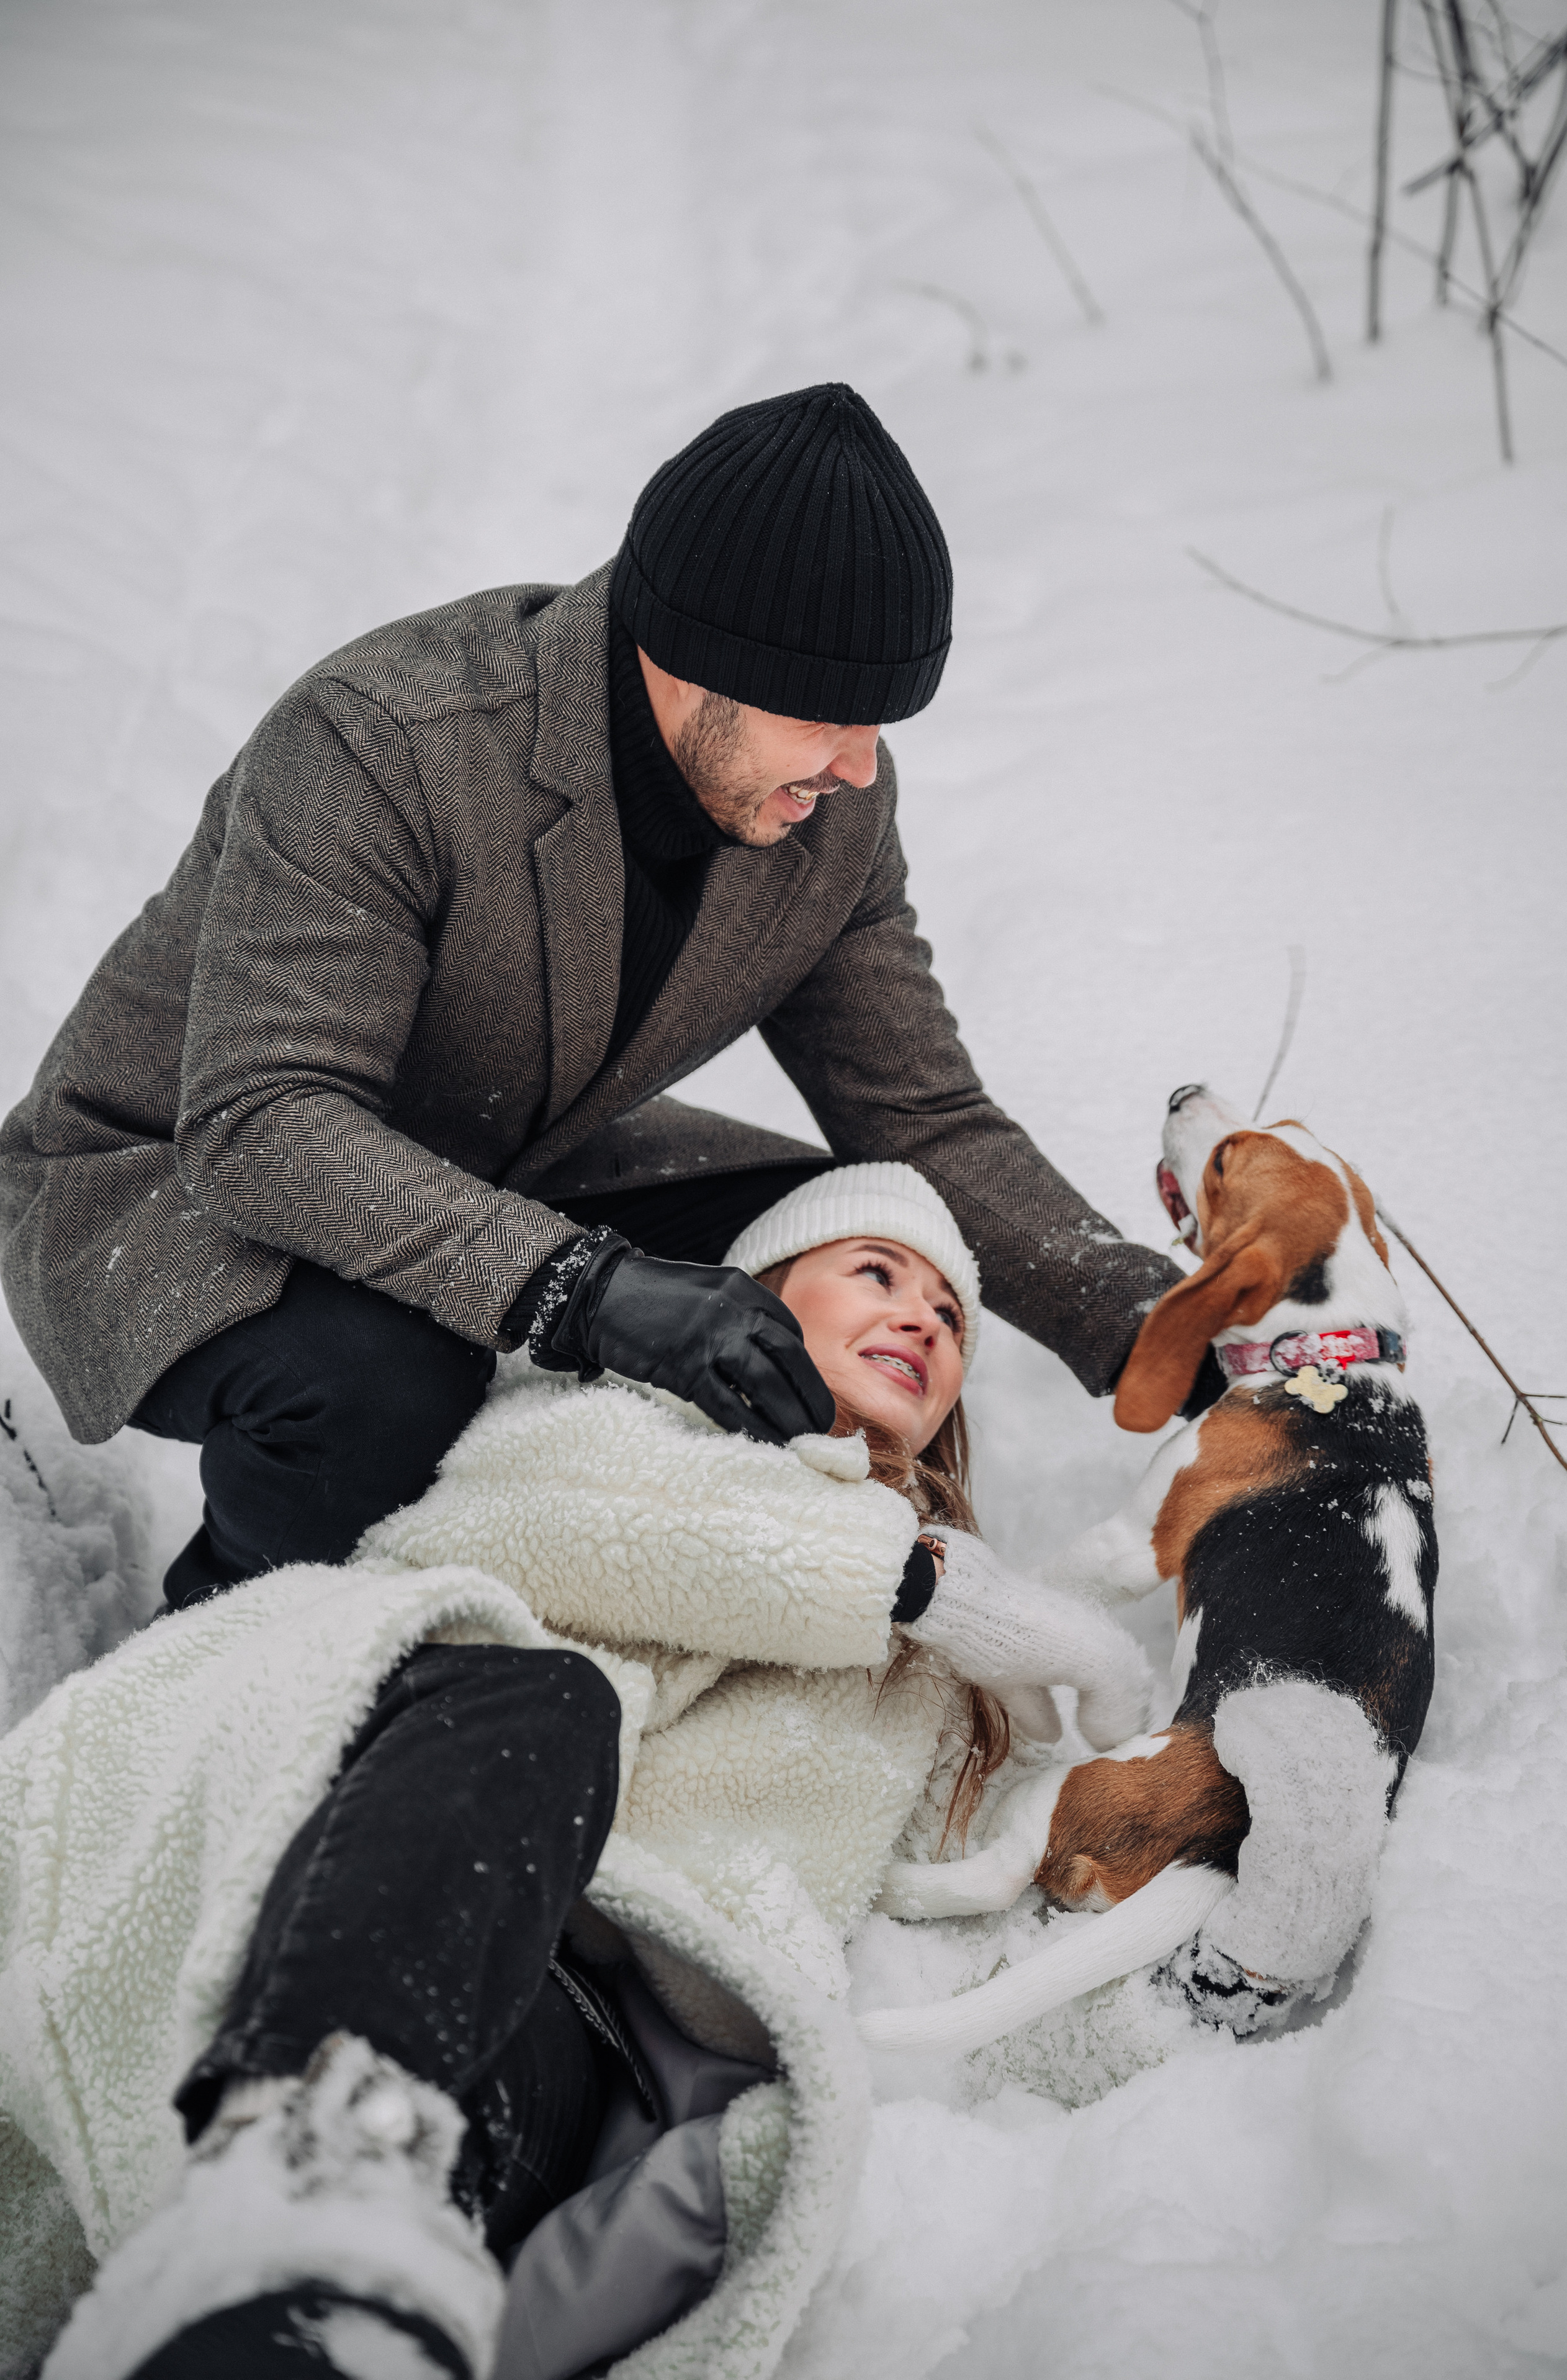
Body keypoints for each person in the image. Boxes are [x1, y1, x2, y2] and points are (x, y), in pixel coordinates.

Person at [0, 380, 1197, 1616]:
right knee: (385, 1380)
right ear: (700, 665)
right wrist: (580, 1290)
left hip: (496, 1158)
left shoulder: (830, 810)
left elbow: (922, 1119)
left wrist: (1156, 1325)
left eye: (881, 723)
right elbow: (264, 1122)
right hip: (179, 1185)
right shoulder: (388, 739)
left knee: (839, 1242)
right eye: (830, 716)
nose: (859, 765)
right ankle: (239, 1644)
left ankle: (684, 1584)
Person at [3, 1168, 1151, 2380]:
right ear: (754, 1298)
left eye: (950, 1315)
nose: (922, 1317)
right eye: (876, 1273)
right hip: (388, 1889)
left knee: (440, 2197)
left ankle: (313, 2307)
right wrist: (913, 1584)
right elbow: (533, 1546)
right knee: (551, 1699)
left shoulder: (932, 1665)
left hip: (573, 2049)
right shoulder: (609, 1420)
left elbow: (937, 1926)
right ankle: (309, 2157)